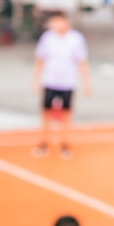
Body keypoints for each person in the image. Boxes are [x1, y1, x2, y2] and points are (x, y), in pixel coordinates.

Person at [32, 11, 92, 159]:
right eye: (55, 22)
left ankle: (64, 143)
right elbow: (40, 59)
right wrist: (36, 79)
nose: (58, 25)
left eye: (60, 22)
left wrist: (86, 82)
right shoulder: (47, 38)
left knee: (66, 114)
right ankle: (43, 142)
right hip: (50, 81)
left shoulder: (76, 39)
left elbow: (82, 61)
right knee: (46, 113)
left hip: (68, 82)